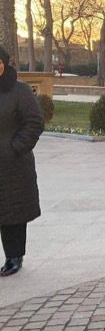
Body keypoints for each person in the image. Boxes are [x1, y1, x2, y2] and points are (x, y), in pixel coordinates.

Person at [0, 45, 45, 277]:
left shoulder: (20, 91)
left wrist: (15, 148)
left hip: (13, 164)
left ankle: (14, 257)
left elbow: (35, 122)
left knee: (12, 213)